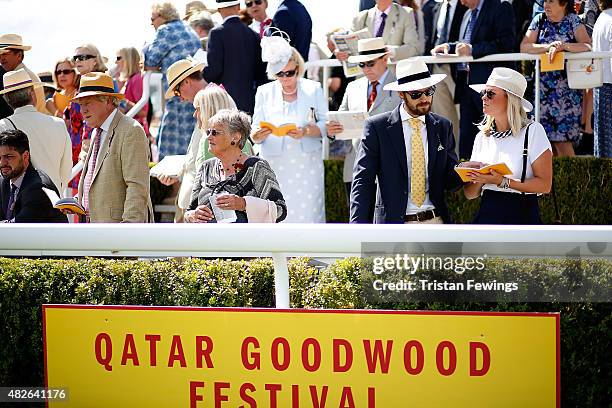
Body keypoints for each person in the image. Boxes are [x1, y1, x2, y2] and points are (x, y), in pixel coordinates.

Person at [350, 59, 463, 224]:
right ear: (401, 94)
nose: (424, 98)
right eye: (416, 94)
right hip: (394, 226)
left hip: (435, 221)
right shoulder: (377, 127)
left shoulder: (443, 126)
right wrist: (356, 228)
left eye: (429, 91)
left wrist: (465, 172)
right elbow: (363, 181)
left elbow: (449, 181)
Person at [459, 68, 553, 224]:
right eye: (483, 93)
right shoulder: (482, 136)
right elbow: (470, 194)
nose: (483, 98)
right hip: (487, 216)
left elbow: (544, 185)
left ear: (510, 99)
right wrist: (478, 176)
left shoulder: (533, 131)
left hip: (522, 217)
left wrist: (502, 181)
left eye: (490, 94)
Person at [251, 38, 327, 223]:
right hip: (274, 162)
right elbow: (255, 127)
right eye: (280, 74)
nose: (286, 78)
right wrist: (257, 135)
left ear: (298, 68)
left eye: (290, 73)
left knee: (309, 208)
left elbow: (327, 124)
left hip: (307, 161)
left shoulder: (313, 88)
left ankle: (309, 249)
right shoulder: (264, 91)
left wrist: (307, 131)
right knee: (276, 207)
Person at [432, 0, 516, 160]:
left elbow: (507, 42)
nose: (461, 2)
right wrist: (449, 47)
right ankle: (468, 181)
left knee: (494, 135)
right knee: (467, 142)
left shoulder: (500, 6)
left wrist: (472, 50)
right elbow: (467, 43)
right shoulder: (470, 13)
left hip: (491, 87)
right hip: (467, 85)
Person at [69, 73, 153, 223]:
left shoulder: (131, 130)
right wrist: (77, 201)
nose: (83, 110)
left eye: (88, 103)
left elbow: (137, 186)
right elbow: (101, 183)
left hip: (117, 235)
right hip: (99, 232)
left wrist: (128, 229)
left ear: (108, 101)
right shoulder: (97, 130)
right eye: (81, 104)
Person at [326, 38, 401, 204]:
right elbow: (340, 118)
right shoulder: (353, 87)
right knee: (357, 227)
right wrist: (332, 130)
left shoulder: (400, 87)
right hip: (355, 169)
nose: (366, 69)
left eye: (370, 63)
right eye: (362, 65)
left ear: (385, 59)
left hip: (390, 171)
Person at [185, 109, 286, 223]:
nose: (209, 137)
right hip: (207, 238)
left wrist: (244, 204)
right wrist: (193, 215)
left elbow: (280, 210)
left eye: (215, 133)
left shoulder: (257, 167)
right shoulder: (206, 168)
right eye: (208, 132)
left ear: (236, 137)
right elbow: (189, 211)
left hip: (245, 239)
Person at [520, 0, 592, 157]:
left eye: (551, 1)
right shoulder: (539, 19)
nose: (546, 5)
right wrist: (549, 46)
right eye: (545, 1)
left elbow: (587, 45)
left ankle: (573, 181)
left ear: (563, 3)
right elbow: (525, 46)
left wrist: (564, 46)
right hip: (542, 91)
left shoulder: (573, 20)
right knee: (544, 143)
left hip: (567, 94)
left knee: (563, 142)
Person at [144, 2, 201, 159]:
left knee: (171, 154)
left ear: (163, 17)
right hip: (195, 95)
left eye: (152, 18)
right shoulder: (188, 28)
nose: (151, 23)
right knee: (192, 150)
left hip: (178, 96)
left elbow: (149, 61)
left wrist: (145, 49)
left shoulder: (165, 30)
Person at [0, 69, 72, 194]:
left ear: (7, 99)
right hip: (54, 202)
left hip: (20, 205)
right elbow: (66, 170)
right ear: (33, 94)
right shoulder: (58, 124)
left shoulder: (2, 126)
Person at [203, 0, 267, 114]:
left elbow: (214, 71)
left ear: (218, 10)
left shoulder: (216, 33)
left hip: (225, 102)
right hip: (250, 101)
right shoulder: (253, 35)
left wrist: (200, 70)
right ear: (238, 6)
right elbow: (260, 73)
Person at [0, 129, 67, 223]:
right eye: (0, 157)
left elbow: (18, 227)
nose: (2, 163)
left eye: (8, 157)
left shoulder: (38, 188)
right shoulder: (5, 181)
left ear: (25, 156)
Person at [428, 0, 468, 143]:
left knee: (463, 118)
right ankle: (450, 157)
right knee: (445, 121)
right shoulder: (436, 8)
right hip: (437, 69)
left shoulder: (466, 5)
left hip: (459, 71)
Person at [343, 0, 422, 62]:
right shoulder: (359, 18)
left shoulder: (405, 14)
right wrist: (342, 53)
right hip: (365, 77)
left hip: (391, 76)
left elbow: (414, 47)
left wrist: (393, 51)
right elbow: (349, 48)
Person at [0, 34, 49, 115]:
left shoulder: (24, 77)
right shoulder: (23, 74)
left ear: (19, 55)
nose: (1, 58)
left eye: (5, 54)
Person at [116, 47, 151, 139]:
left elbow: (144, 112)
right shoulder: (129, 80)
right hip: (129, 131)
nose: (116, 62)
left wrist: (123, 102)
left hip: (136, 133)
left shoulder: (137, 79)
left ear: (128, 60)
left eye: (118, 58)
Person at [591, 0, 611, 157]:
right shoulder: (608, 18)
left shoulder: (602, 18)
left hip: (601, 84)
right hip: (608, 84)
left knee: (603, 143)